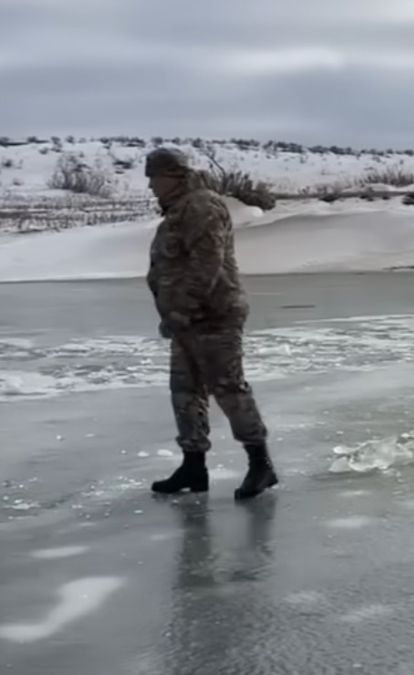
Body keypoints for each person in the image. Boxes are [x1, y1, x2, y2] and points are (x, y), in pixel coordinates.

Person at [143, 147, 278, 499]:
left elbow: (207, 263)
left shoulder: (202, 206)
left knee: (229, 389)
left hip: (213, 315)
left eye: (153, 177)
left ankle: (260, 464)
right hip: (185, 319)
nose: (151, 186)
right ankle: (193, 466)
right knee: (185, 392)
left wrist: (182, 308)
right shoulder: (178, 210)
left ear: (173, 175)